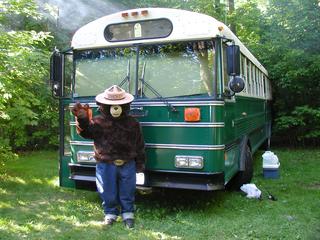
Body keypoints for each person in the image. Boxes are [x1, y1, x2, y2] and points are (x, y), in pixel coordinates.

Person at [71, 85, 146, 229]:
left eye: (119, 105)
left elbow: (139, 144)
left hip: (127, 162)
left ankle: (128, 213)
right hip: (105, 163)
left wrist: (140, 164)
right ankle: (110, 214)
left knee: (128, 189)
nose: (115, 108)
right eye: (111, 105)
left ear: (125, 105)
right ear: (104, 105)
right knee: (107, 189)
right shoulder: (98, 122)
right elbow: (86, 133)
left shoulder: (133, 123)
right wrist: (82, 119)